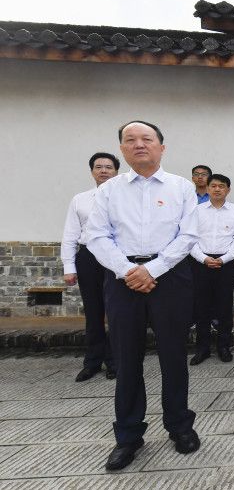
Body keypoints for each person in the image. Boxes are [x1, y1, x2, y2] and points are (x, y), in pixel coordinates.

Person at [87, 120, 201, 470]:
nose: (139, 145)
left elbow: (189, 235)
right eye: (130, 140)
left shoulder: (181, 187)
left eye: (147, 139)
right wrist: (128, 271)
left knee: (173, 355)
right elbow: (96, 236)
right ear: (122, 149)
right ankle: (128, 435)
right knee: (126, 358)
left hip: (169, 278)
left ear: (161, 147)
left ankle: (179, 425)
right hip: (123, 280)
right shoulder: (108, 191)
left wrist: (152, 269)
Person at [62, 152, 120, 382]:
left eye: (108, 167)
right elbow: (70, 234)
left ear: (116, 171)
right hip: (88, 257)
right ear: (92, 171)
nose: (103, 170)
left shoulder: (123, 197)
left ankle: (116, 360)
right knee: (93, 312)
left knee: (116, 310)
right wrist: (69, 266)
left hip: (115, 256)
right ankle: (93, 361)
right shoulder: (80, 199)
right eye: (99, 167)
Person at [189, 174, 234, 365]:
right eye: (214, 186)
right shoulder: (196, 210)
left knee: (224, 306)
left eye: (222, 186)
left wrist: (223, 259)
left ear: (228, 190)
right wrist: (204, 259)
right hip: (200, 263)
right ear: (208, 188)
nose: (217, 189)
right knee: (201, 306)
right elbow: (190, 239)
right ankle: (202, 348)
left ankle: (224, 346)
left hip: (225, 264)